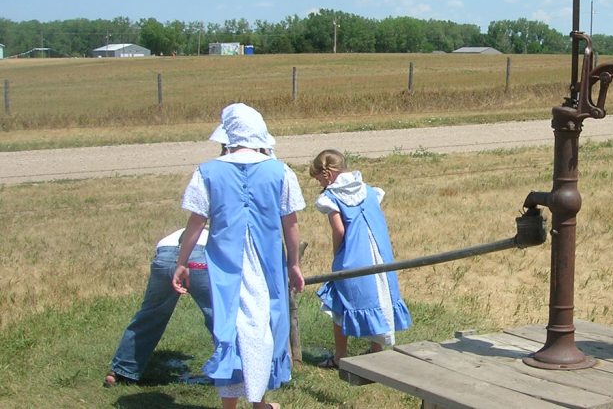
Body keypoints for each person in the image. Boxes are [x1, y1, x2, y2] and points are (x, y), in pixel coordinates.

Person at [172, 102, 306, 409]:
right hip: (266, 265)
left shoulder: (207, 172)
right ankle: (256, 401)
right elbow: (291, 223)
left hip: (226, 266)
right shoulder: (280, 171)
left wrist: (182, 263)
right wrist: (293, 263)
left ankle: (246, 403)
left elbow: (196, 222)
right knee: (263, 326)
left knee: (232, 329)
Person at [308, 149, 412, 369]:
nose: (319, 183)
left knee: (339, 301)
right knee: (379, 294)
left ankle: (340, 356)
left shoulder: (332, 197)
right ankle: (376, 350)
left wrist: (337, 254)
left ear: (326, 175)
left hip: (353, 255)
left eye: (318, 178)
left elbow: (339, 230)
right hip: (380, 254)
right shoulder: (369, 190)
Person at [104, 228, 214, 387]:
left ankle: (122, 370)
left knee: (150, 315)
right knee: (218, 317)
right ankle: (235, 372)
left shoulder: (177, 233)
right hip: (199, 257)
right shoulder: (215, 232)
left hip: (164, 256)